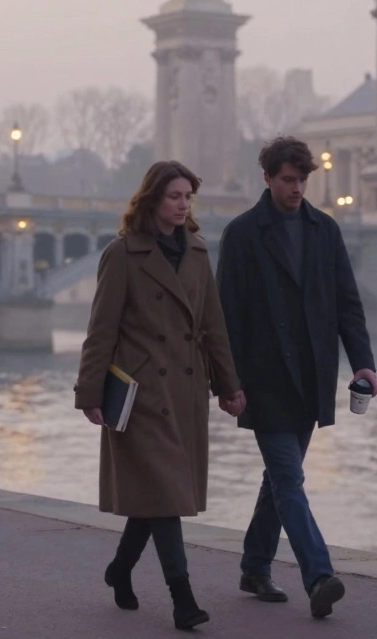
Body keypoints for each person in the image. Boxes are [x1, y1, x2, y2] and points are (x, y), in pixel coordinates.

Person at [74, 160, 247, 630]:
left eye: (188, 196)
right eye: (175, 196)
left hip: (186, 389)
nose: (183, 204)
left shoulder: (197, 252)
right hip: (141, 394)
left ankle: (120, 569)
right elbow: (101, 330)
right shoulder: (122, 254)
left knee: (157, 494)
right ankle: (183, 599)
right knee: (167, 496)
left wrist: (229, 386)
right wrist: (89, 392)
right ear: (152, 199)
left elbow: (214, 327)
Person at [216, 136, 377, 619]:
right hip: (263, 380)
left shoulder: (324, 230)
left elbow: (347, 304)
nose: (296, 188)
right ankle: (319, 576)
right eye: (288, 180)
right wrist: (227, 382)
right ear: (267, 178)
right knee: (289, 478)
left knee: (279, 479)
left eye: (302, 180)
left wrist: (363, 362)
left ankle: (253, 566)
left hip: (311, 376)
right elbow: (228, 315)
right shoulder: (243, 233)